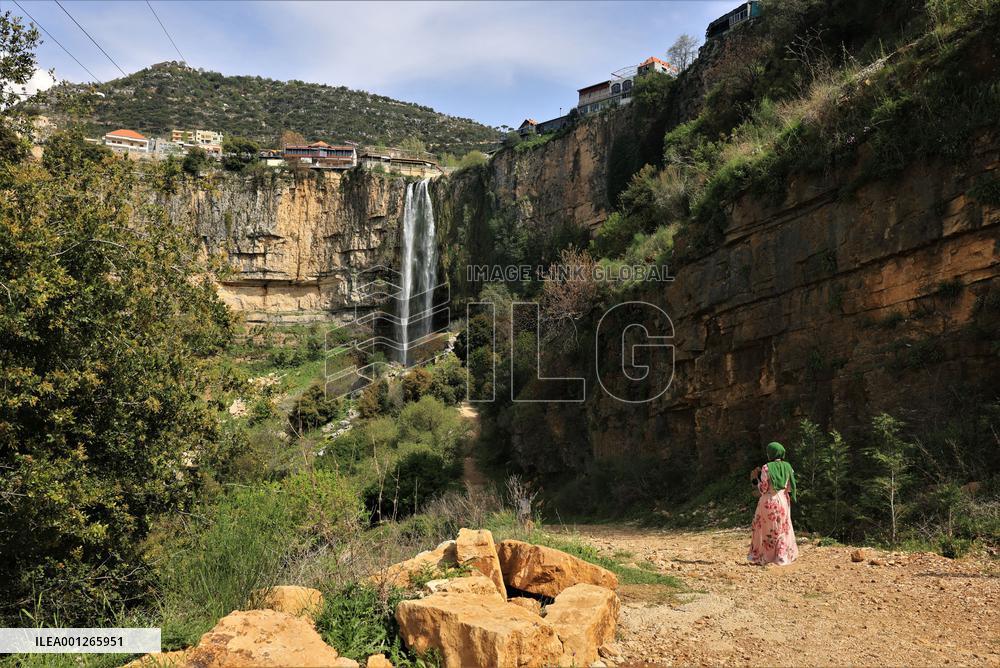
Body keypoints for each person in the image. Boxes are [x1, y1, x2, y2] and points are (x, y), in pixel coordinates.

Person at [748, 441, 799, 565]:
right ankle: (782, 556)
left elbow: (763, 489)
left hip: (769, 501)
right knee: (783, 528)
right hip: (783, 500)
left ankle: (766, 557)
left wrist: (755, 480)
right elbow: (790, 488)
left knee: (767, 528)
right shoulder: (788, 467)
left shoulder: (766, 467)